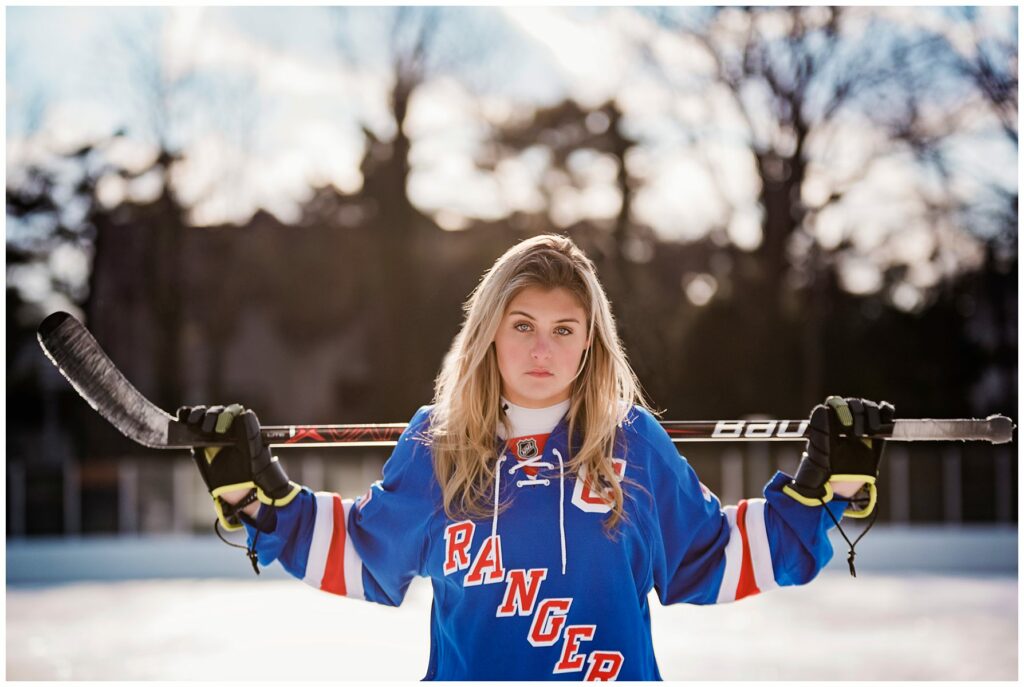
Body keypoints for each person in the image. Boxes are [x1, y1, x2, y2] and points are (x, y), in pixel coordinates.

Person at [179, 234, 894, 681]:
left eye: (563, 328)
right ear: (490, 332)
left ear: (589, 341)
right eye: (522, 325)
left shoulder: (633, 444)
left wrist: (818, 490)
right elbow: (367, 555)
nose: (541, 347)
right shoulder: (438, 445)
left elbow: (711, 556)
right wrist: (260, 501)